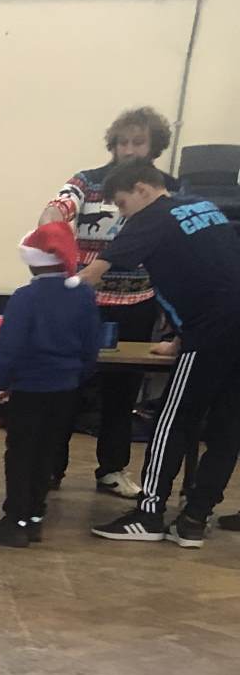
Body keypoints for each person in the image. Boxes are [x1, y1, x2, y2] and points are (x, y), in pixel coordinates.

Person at [88, 161, 240, 548]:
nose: (122, 215)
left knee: (172, 421)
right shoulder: (203, 206)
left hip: (210, 332)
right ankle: (193, 520)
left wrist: (50, 293)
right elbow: (207, 273)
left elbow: (95, 273)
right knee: (228, 426)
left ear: (142, 189)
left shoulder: (151, 218)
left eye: (122, 204)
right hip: (227, 326)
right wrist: (176, 340)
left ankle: (149, 514)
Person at [41, 106, 177, 499]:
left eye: (139, 143)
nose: (129, 150)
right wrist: (50, 226)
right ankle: (51, 467)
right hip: (85, 302)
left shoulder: (166, 187)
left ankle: (112, 470)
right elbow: (58, 206)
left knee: (123, 393)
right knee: (68, 386)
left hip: (139, 303)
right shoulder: (88, 180)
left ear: (154, 147)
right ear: (112, 145)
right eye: (122, 142)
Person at [0, 223, 99, 548]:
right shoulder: (84, 295)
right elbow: (91, 346)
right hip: (66, 388)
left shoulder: (25, 298)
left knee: (20, 454)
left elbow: (8, 349)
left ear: (32, 261)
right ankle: (33, 519)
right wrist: (78, 377)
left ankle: (13, 522)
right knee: (46, 454)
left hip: (30, 388)